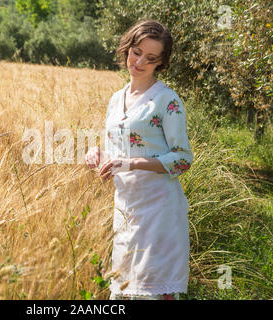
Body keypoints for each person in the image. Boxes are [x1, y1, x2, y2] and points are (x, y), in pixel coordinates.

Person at [85, 20, 194, 300]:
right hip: (125, 210)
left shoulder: (167, 101)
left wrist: (132, 163)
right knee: (122, 291)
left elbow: (182, 159)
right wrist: (97, 155)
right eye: (136, 52)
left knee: (154, 294)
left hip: (160, 211)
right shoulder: (115, 99)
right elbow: (117, 153)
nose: (140, 61)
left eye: (151, 58)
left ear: (161, 63)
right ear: (127, 50)